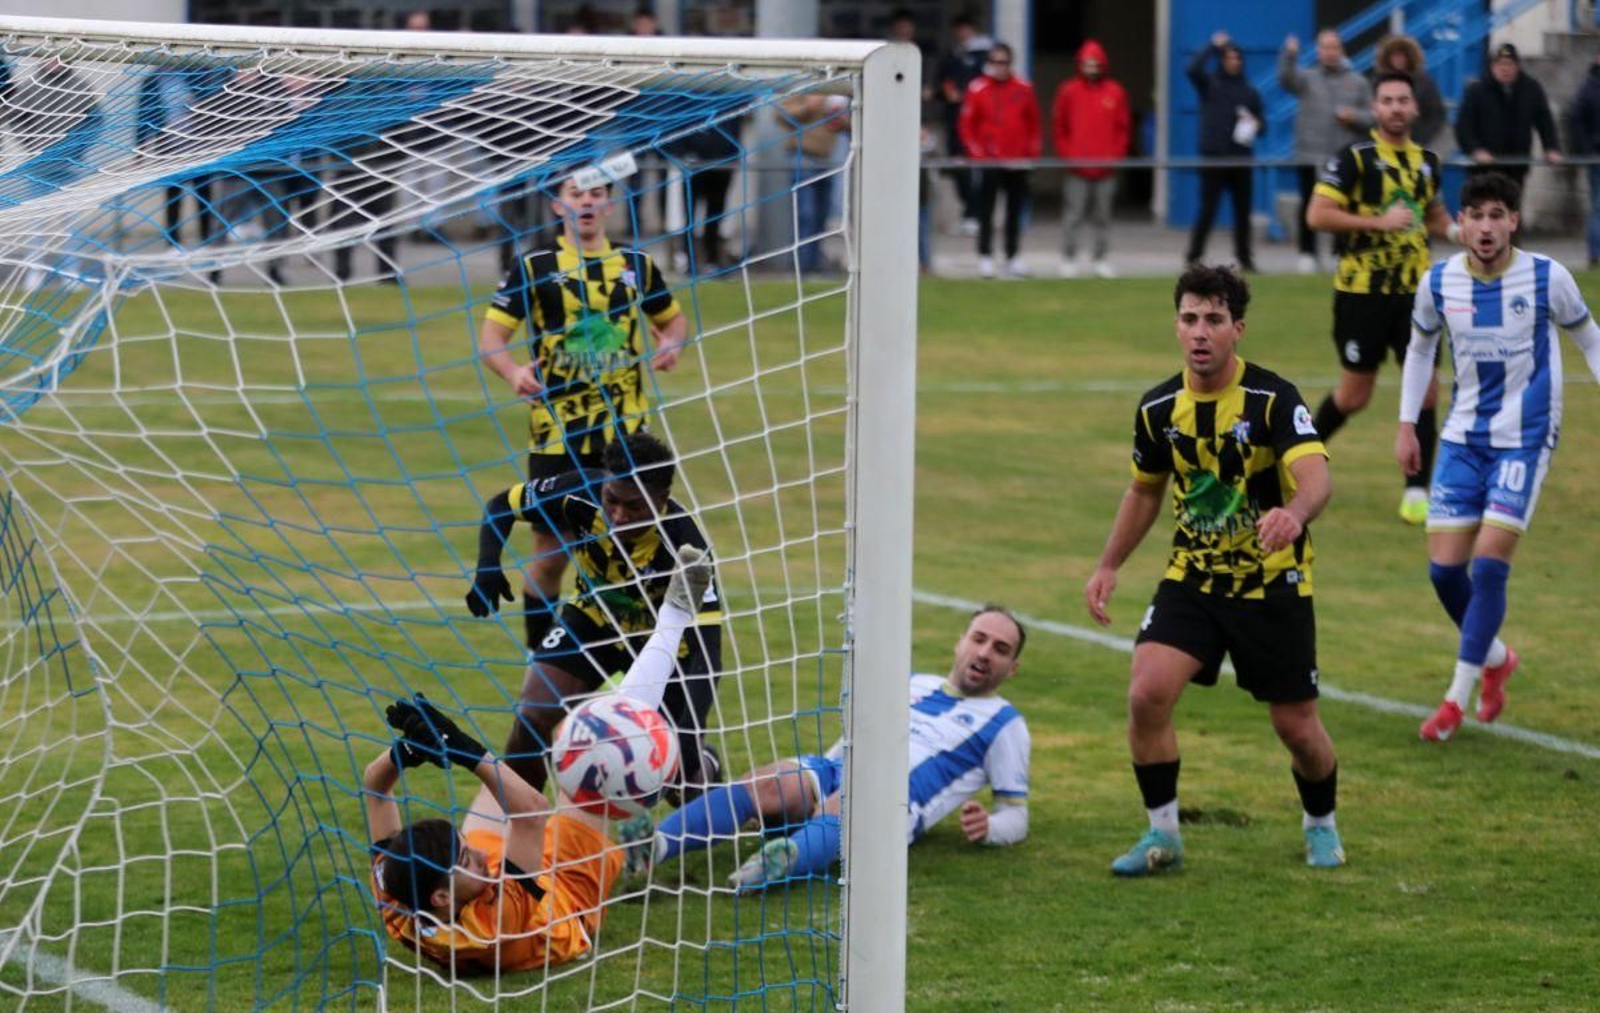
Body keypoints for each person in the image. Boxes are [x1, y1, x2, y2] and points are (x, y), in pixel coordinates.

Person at [1083, 264, 1343, 875]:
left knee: (1296, 728)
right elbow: (1144, 491)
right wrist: (1108, 564)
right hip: (1194, 581)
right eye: (1190, 318)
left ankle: (1321, 825)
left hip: (1271, 585)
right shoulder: (1158, 408)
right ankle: (1163, 835)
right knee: (1146, 692)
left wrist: (1294, 514)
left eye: (1215, 320)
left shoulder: (1273, 399)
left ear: (1237, 329)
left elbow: (1316, 477)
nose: (1201, 331)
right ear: (1177, 326)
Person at [367, 548, 713, 972]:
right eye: (466, 858)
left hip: (497, 879)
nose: (478, 854)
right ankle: (674, 616)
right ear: (441, 897)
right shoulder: (495, 925)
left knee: (524, 758)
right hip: (564, 896)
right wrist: (460, 747)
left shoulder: (396, 893)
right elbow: (531, 811)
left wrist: (406, 751)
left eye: (465, 846)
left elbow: (375, 786)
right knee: (610, 747)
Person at [1396, 173, 1600, 741]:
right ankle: (1497, 659)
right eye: (1476, 216)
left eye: (1496, 216)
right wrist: (1407, 425)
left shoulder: (1547, 277)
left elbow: (1589, 338)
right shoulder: (1438, 283)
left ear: (1514, 221)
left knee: (1487, 566)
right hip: (1462, 438)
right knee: (1444, 573)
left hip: (1525, 438)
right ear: (1460, 224)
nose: (1485, 228)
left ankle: (1454, 700)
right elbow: (1419, 350)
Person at [644, 606, 1030, 891]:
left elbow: (1016, 814)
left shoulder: (1004, 723)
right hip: (835, 768)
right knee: (771, 782)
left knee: (851, 799)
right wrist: (805, 788)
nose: (984, 653)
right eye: (979, 639)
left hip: (894, 800)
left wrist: (990, 828)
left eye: (1000, 649)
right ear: (960, 642)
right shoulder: (913, 682)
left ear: (1012, 668)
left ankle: (769, 866)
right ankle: (652, 846)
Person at [478, 172, 689, 648]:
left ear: (609, 205)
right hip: (557, 434)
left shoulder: (636, 263)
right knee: (551, 552)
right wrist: (512, 372)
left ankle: (622, 658)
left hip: (624, 435)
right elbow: (491, 338)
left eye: (596, 194)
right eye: (576, 195)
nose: (587, 203)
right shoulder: (534, 265)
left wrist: (672, 344)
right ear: (559, 205)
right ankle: (542, 658)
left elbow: (673, 320)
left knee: (629, 550)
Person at [465, 432, 722, 798]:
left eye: (633, 507)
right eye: (611, 500)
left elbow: (708, 655)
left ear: (662, 499)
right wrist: (488, 564)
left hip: (660, 648)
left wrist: (688, 736)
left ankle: (707, 765)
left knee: (677, 778)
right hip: (592, 621)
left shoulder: (687, 547)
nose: (618, 515)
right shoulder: (580, 490)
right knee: (533, 716)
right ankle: (524, 821)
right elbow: (501, 505)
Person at [1306, 70, 1454, 525]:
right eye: (1387, 100)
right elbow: (1318, 215)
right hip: (1362, 294)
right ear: (1374, 108)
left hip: (1416, 296)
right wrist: (1377, 223)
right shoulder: (1354, 158)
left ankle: (1417, 491)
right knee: (1354, 396)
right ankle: (1293, 457)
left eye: (1402, 100)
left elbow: (1434, 216)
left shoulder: (1427, 161)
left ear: (1415, 107)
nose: (1395, 108)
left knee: (1426, 390)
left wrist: (1460, 233)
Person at [1279, 30, 1372, 274]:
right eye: (1325, 47)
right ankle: (1307, 253)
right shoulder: (1306, 78)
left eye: (1334, 47)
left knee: (1343, 206)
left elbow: (1373, 116)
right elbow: (1285, 80)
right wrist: (1289, 55)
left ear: (1341, 50)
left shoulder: (1358, 82)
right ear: (1319, 51)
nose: (1330, 52)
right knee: (1308, 204)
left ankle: (1340, 252)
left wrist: (1354, 116)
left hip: (1343, 157)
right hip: (1309, 154)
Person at [958, 41, 1040, 279]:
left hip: (1016, 160)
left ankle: (1012, 256)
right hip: (989, 161)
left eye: (1003, 62)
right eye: (994, 61)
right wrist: (977, 153)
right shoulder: (977, 88)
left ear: (1010, 63)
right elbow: (967, 125)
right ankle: (985, 256)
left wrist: (1031, 153)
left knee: (1015, 210)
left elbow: (1033, 123)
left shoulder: (1024, 88)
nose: (998, 66)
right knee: (986, 210)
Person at [1052, 39, 1131, 279]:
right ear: (1080, 65)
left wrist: (1115, 156)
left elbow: (1123, 129)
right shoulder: (1068, 91)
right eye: (1087, 64)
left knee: (1103, 216)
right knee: (1073, 215)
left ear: (1102, 65)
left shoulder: (1115, 92)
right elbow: (1059, 127)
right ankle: (1069, 258)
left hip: (1106, 168)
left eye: (1095, 64)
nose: (1091, 69)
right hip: (1076, 167)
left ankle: (1101, 258)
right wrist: (1069, 156)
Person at [1184, 31, 1262, 272]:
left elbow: (1262, 126)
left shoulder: (1250, 91)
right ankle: (1193, 257)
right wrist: (1212, 46)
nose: (1233, 62)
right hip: (1214, 158)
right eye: (1228, 57)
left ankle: (1245, 259)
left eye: (1237, 58)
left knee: (1242, 212)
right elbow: (1191, 69)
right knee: (1208, 210)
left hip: (1241, 159)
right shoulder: (1210, 84)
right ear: (1221, 60)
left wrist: (1256, 123)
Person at [1455, 43, 1563, 188]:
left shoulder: (1531, 88)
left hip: (1516, 168)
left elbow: (1545, 121)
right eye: (1500, 64)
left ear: (1517, 66)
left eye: (1509, 64)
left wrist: (1551, 148)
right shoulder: (1477, 90)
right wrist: (1475, 150)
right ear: (1492, 66)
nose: (1505, 69)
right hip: (1483, 170)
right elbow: (1463, 126)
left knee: (1512, 201)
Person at [779, 92, 850, 273]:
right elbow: (780, 116)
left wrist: (841, 118)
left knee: (822, 215)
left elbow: (850, 126)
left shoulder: (837, 89)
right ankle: (800, 266)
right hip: (801, 157)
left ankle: (813, 264)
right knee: (806, 213)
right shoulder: (802, 89)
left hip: (828, 159)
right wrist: (807, 107)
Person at [937, 14, 992, 235]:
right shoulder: (952, 54)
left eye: (965, 28)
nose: (962, 33)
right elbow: (941, 82)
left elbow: (987, 87)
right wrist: (945, 91)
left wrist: (968, 96)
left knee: (978, 170)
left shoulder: (985, 54)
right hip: (955, 121)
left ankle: (976, 214)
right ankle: (969, 212)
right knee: (958, 167)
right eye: (958, 29)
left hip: (977, 123)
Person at [1371, 35, 1445, 148]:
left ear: (1409, 57)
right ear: (1387, 57)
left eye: (1402, 55)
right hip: (1384, 143)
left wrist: (1422, 138)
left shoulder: (1424, 82)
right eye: (1394, 55)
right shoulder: (1379, 83)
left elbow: (1437, 115)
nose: (1398, 59)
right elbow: (1373, 113)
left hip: (1417, 142)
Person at [1565, 52, 1600, 268]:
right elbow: (1576, 120)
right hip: (1597, 159)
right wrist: (1588, 151)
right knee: (1598, 206)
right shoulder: (1588, 87)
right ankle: (1596, 255)